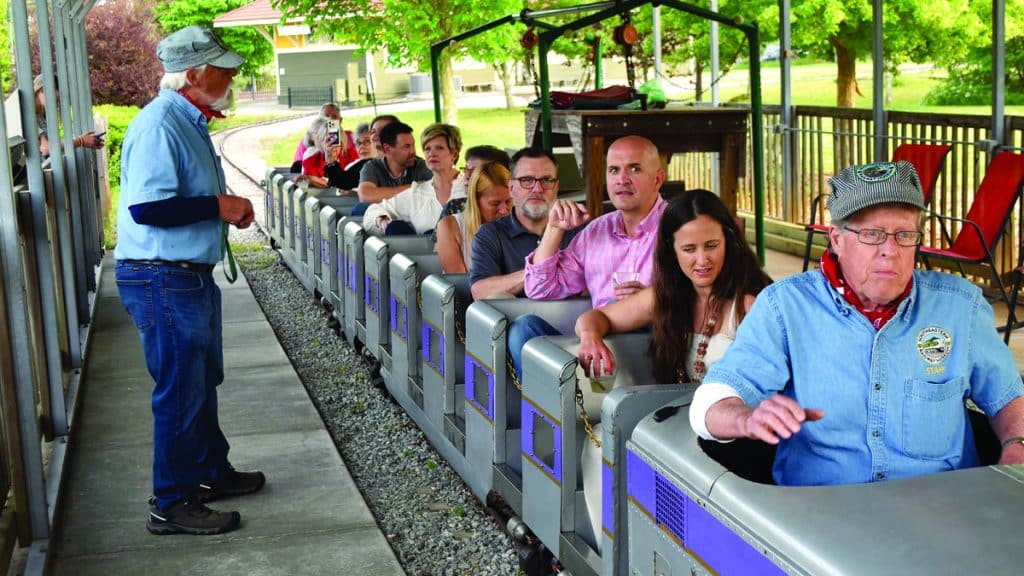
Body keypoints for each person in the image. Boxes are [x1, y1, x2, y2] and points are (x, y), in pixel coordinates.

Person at [691, 160, 1024, 486]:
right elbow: (710, 403)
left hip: (943, 513)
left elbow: (1008, 397)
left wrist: (1016, 445)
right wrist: (745, 419)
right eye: (872, 234)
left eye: (904, 234)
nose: (890, 250)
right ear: (836, 239)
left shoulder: (960, 308)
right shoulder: (785, 308)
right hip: (821, 516)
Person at [114, 26, 264, 536]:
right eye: (224, 68)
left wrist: (219, 211)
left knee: (200, 383)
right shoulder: (160, 125)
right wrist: (219, 206)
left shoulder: (185, 119)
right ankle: (172, 502)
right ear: (195, 74)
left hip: (181, 276)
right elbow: (147, 207)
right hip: (163, 277)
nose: (233, 76)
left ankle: (207, 473)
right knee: (180, 391)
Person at [508, 135, 668, 377]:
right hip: (598, 343)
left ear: (657, 179)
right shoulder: (596, 230)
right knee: (523, 329)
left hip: (658, 344)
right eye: (614, 170)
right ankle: (555, 410)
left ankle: (562, 408)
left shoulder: (679, 226)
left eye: (634, 169)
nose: (622, 179)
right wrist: (554, 229)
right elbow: (540, 289)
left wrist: (646, 303)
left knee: (616, 308)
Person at [469, 147, 581, 300]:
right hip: (516, 320)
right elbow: (479, 292)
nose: (537, 188)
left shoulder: (580, 230)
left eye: (546, 180)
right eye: (527, 180)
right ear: (511, 187)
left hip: (572, 321)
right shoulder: (491, 234)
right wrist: (540, 272)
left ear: (556, 186)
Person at [363, 123, 466, 235]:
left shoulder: (470, 187)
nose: (432, 153)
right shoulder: (416, 193)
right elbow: (372, 213)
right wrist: (383, 221)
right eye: (427, 149)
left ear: (454, 155)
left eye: (439, 148)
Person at [435, 161, 512, 273]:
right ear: (475, 200)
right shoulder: (450, 227)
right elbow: (460, 284)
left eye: (509, 201)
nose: (504, 210)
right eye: (495, 204)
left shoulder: (522, 225)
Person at [356, 118, 432, 204]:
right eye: (406, 147)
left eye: (413, 145)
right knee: (360, 209)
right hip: (383, 216)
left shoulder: (421, 165)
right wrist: (415, 187)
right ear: (387, 149)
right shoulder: (372, 167)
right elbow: (365, 196)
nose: (413, 151)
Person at [33, 74, 104, 157]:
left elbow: (52, 145)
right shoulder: (30, 116)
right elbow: (45, 148)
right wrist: (80, 141)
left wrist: (81, 140)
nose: (55, 104)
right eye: (55, 99)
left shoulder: (41, 115)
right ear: (42, 90)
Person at [322, 121, 374, 191]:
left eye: (367, 141)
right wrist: (331, 159)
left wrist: (331, 161)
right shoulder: (352, 165)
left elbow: (343, 183)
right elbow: (338, 184)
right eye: (358, 143)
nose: (361, 146)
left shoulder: (381, 164)